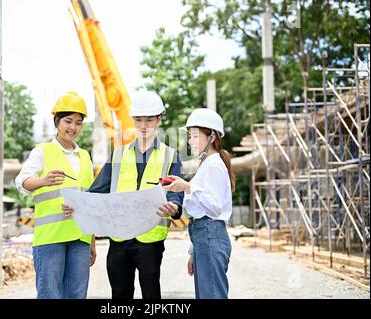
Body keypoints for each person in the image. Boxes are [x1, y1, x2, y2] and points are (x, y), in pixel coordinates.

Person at [66, 90, 184, 299]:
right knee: (120, 296)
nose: (144, 125)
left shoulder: (170, 155)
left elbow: (175, 192)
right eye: (138, 120)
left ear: (158, 120)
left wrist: (174, 207)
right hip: (119, 237)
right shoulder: (119, 155)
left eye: (149, 120)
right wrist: (78, 204)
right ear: (133, 121)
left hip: (150, 239)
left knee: (151, 295)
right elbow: (97, 190)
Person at [15, 91, 96, 299]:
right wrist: (42, 181)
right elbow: (21, 182)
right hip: (51, 238)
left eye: (78, 122)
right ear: (57, 121)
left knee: (77, 295)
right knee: (50, 294)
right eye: (68, 121)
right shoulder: (42, 151)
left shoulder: (85, 157)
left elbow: (90, 199)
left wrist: (92, 242)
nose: (73, 127)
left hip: (80, 237)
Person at [163, 108, 234, 299]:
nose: (190, 141)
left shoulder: (214, 164)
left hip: (211, 234)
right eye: (189, 136)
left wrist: (187, 187)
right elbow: (200, 210)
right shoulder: (206, 164)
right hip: (204, 236)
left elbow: (215, 206)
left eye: (195, 136)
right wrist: (193, 251)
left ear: (211, 137)